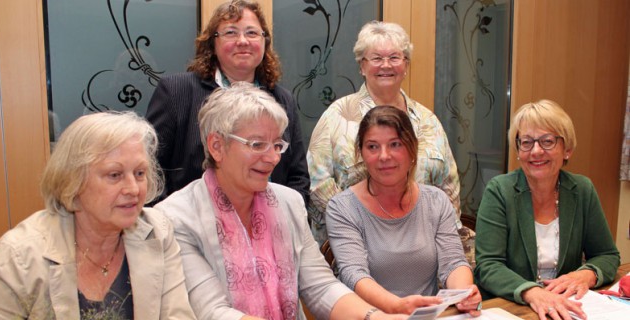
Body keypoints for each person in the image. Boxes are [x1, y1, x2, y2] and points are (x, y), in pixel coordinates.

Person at [155, 83, 407, 320]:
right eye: (257, 145)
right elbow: (213, 312)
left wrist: (375, 316)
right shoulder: (176, 218)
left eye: (277, 144)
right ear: (217, 146)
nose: (273, 158)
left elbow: (321, 286)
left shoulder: (289, 203)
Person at [0, 112, 196, 319]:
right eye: (115, 175)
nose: (133, 189)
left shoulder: (158, 232)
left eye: (140, 173)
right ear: (73, 181)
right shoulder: (18, 257)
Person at [306, 21, 470, 255]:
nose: (386, 65)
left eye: (394, 57)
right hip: (354, 249)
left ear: (406, 65)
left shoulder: (428, 120)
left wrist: (445, 244)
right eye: (376, 58)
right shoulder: (337, 116)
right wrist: (359, 230)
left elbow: (449, 187)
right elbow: (317, 184)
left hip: (422, 250)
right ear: (362, 66)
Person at [146, 0, 309, 204]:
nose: (242, 41)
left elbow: (298, 176)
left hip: (267, 225)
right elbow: (149, 169)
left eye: (251, 33)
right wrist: (168, 225)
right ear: (212, 43)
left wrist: (285, 218)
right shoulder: (176, 92)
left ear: (265, 42)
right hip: (191, 226)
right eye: (231, 33)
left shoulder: (283, 100)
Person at [326, 106, 481, 316]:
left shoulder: (436, 201)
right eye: (372, 146)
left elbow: (453, 262)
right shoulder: (342, 208)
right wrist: (397, 307)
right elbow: (354, 274)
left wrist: (464, 293)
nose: (384, 156)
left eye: (395, 144)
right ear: (361, 153)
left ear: (412, 149)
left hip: (428, 315)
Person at [474, 99, 620, 320]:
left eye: (547, 141)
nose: (536, 151)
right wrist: (532, 292)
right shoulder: (499, 191)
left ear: (567, 149)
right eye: (526, 142)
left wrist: (587, 275)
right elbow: (488, 266)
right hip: (510, 308)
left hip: (567, 307)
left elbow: (606, 255)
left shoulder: (582, 190)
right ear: (518, 150)